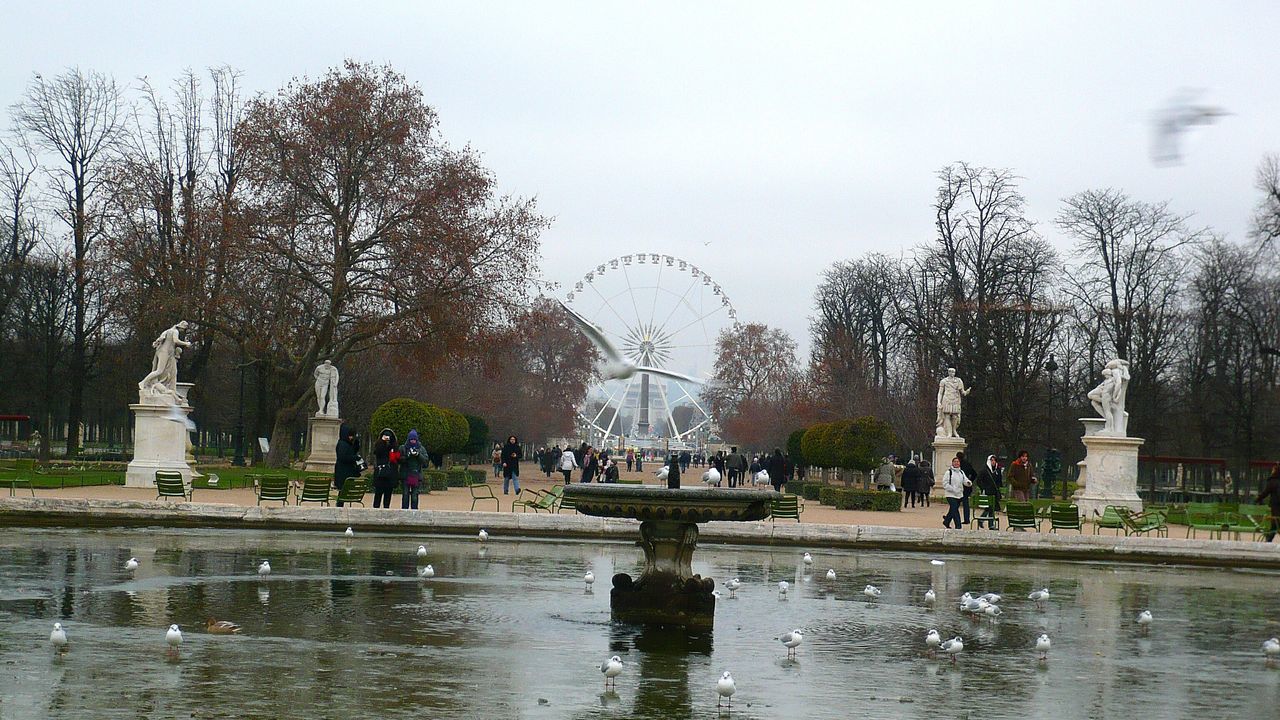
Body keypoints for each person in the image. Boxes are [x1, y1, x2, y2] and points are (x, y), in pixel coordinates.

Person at [333, 425, 362, 508]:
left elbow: (352, 451)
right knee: (342, 490)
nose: (351, 437)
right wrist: (354, 458)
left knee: (343, 490)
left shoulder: (347, 443)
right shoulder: (342, 444)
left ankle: (340, 504)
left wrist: (356, 444)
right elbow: (342, 457)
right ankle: (339, 505)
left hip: (346, 470)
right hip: (343, 471)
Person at [371, 428, 399, 509]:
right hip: (381, 473)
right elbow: (378, 452)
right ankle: (376, 509)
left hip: (390, 473)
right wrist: (383, 442)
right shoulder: (379, 445)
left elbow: (396, 459)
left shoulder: (394, 446)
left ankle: (386, 508)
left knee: (388, 494)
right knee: (378, 494)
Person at [399, 429, 427, 510]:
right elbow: (398, 460)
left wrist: (418, 455)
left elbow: (425, 462)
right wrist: (407, 456)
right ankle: (404, 511)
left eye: (414, 439)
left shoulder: (421, 449)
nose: (413, 441)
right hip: (405, 475)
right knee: (405, 494)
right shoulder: (403, 448)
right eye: (411, 439)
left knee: (415, 495)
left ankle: (414, 511)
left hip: (416, 475)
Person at [941, 457, 971, 529]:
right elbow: (945, 483)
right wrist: (952, 489)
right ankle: (958, 526)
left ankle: (946, 521)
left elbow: (965, 480)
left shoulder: (961, 472)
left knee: (952, 510)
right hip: (950, 495)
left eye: (958, 462)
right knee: (955, 510)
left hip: (959, 495)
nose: (956, 463)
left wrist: (968, 483)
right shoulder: (948, 472)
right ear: (952, 463)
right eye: (955, 461)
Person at [1257, 464, 1280, 542]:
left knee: (1275, 523)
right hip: (1276, 506)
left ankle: (1268, 540)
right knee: (1275, 523)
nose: (1272, 471)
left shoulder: (1273, 481)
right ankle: (1269, 539)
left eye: (1273, 469)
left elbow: (1265, 492)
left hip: (1276, 506)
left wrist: (1257, 499)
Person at [956, 451, 977, 524]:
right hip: (967, 487)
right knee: (965, 504)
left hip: (960, 486)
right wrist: (970, 481)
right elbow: (974, 474)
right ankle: (966, 519)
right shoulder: (968, 464)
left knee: (955, 503)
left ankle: (949, 517)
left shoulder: (958, 466)